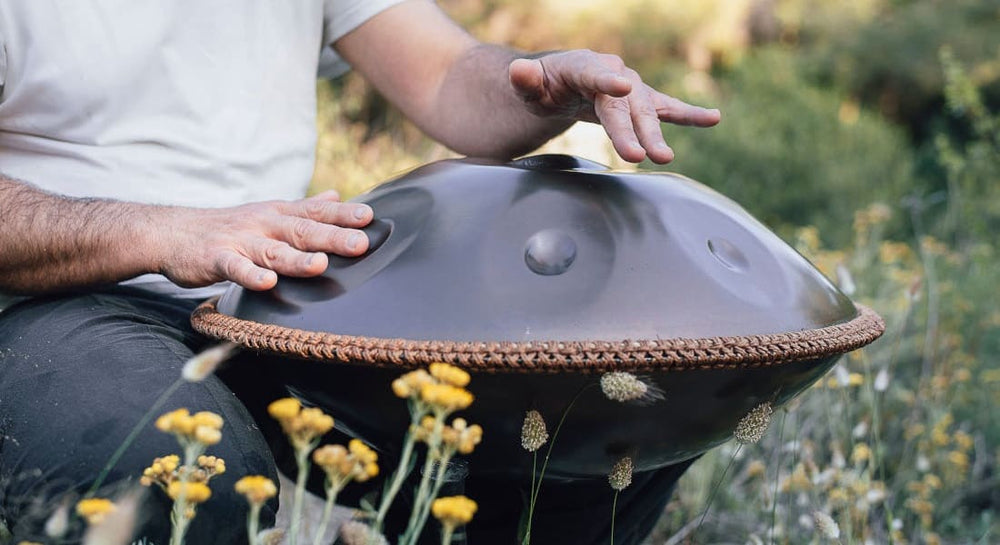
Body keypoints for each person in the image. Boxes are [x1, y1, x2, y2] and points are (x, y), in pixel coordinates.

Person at [0, 1, 720, 543]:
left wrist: (533, 87)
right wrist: (162, 231)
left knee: (594, 418)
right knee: (186, 475)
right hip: (58, 305)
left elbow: (445, 76)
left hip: (276, 298)